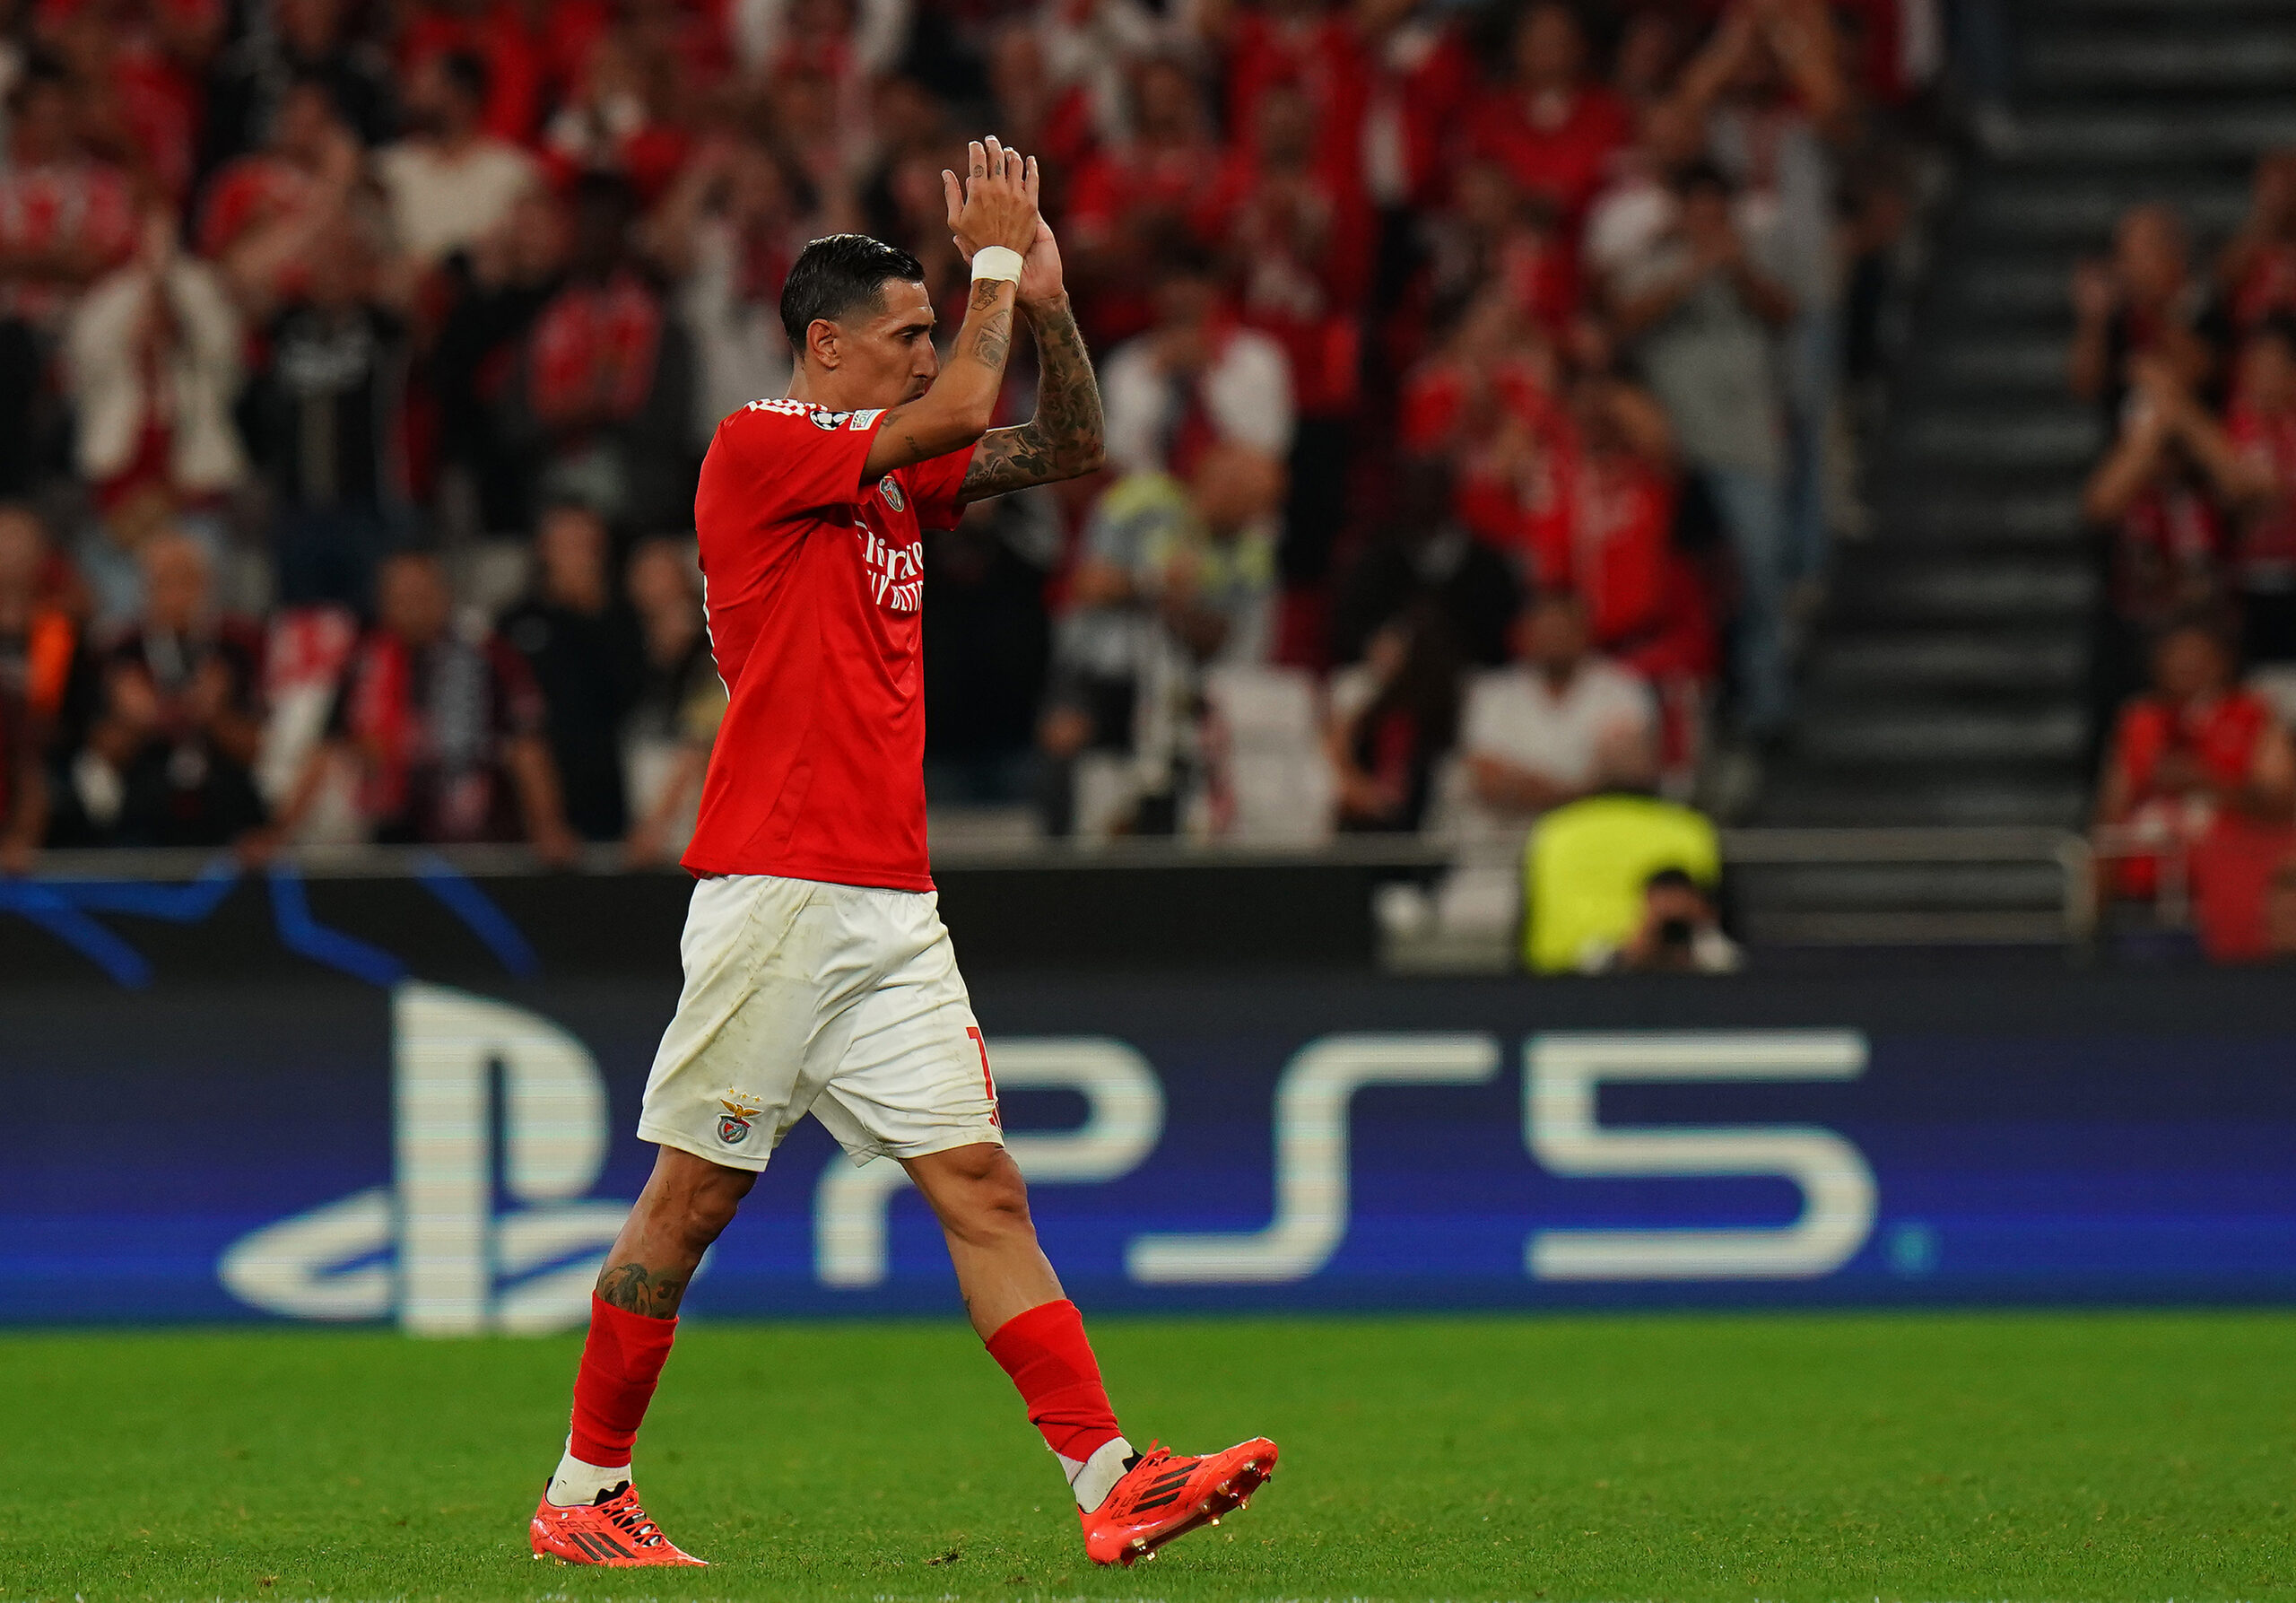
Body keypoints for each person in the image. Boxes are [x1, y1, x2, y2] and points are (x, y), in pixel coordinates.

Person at [526, 140, 1275, 1573]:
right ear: (826, 345)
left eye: (938, 330)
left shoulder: (888, 484)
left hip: (886, 900)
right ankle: (584, 1488)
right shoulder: (760, 445)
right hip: (781, 886)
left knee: (982, 1184)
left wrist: (1043, 297)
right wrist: (987, 263)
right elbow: (969, 408)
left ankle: (1112, 1476)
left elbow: (1066, 446)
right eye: (908, 333)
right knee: (691, 1200)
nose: (933, 352)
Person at [271, 548, 580, 859]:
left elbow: (528, 748)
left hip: (479, 842)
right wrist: (279, 832)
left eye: (420, 595)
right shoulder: (365, 661)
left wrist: (548, 826)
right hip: (390, 841)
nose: (411, 608)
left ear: (444, 595)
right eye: (400, 597)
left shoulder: (489, 657)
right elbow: (327, 750)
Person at [52, 529, 266, 849]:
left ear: (207, 587)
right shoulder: (121, 651)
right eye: (164, 583)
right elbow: (99, 750)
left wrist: (216, 716)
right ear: (144, 589)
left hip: (223, 795)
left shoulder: (236, 647)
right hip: (143, 797)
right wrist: (139, 720)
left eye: (187, 582)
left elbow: (257, 749)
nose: (176, 595)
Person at [2094, 616, 2296, 903]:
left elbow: (2282, 804)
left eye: (2197, 655)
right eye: (2176, 655)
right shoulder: (2141, 719)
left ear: (2222, 660)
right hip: (2147, 885)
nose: (2186, 665)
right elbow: (2110, 815)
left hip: (2233, 880)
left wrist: (2208, 782)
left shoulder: (2254, 715)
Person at [1461, 588, 1657, 835]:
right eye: (1546, 630)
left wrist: (1523, 784)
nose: (1554, 640)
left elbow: (1626, 779)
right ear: (1526, 634)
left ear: (1585, 632)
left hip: (1592, 838)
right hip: (1501, 844)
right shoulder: (1492, 694)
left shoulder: (1623, 690)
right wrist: (1580, 793)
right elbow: (1488, 780)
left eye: (1563, 629)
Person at [500, 502, 640, 842]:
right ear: (544, 550)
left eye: (587, 544)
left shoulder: (630, 618)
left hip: (624, 789)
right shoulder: (518, 621)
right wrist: (545, 820)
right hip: (543, 798)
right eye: (567, 544)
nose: (579, 555)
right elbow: (513, 725)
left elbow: (642, 704)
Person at [373, 49, 541, 266]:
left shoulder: (512, 173)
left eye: (426, 85)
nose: (411, 93)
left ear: (463, 96)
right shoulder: (388, 169)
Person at [1578, 865, 1744, 973]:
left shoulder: (1714, 951)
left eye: (1678, 900)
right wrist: (1647, 936)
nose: (1670, 909)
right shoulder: (1602, 950)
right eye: (1662, 901)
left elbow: (1727, 966)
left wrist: (1701, 926)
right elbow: (1590, 971)